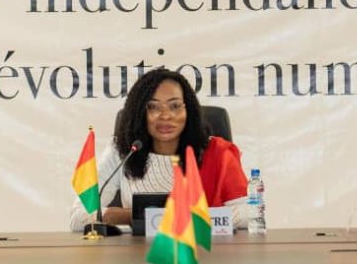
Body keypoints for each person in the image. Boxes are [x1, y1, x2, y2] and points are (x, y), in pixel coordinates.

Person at [69, 68, 248, 232]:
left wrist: (170, 217)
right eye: (153, 107)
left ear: (189, 110)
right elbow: (78, 216)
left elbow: (248, 213)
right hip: (138, 253)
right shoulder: (124, 151)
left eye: (175, 106)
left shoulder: (218, 153)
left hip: (206, 251)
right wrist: (132, 216)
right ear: (139, 113)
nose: (166, 115)